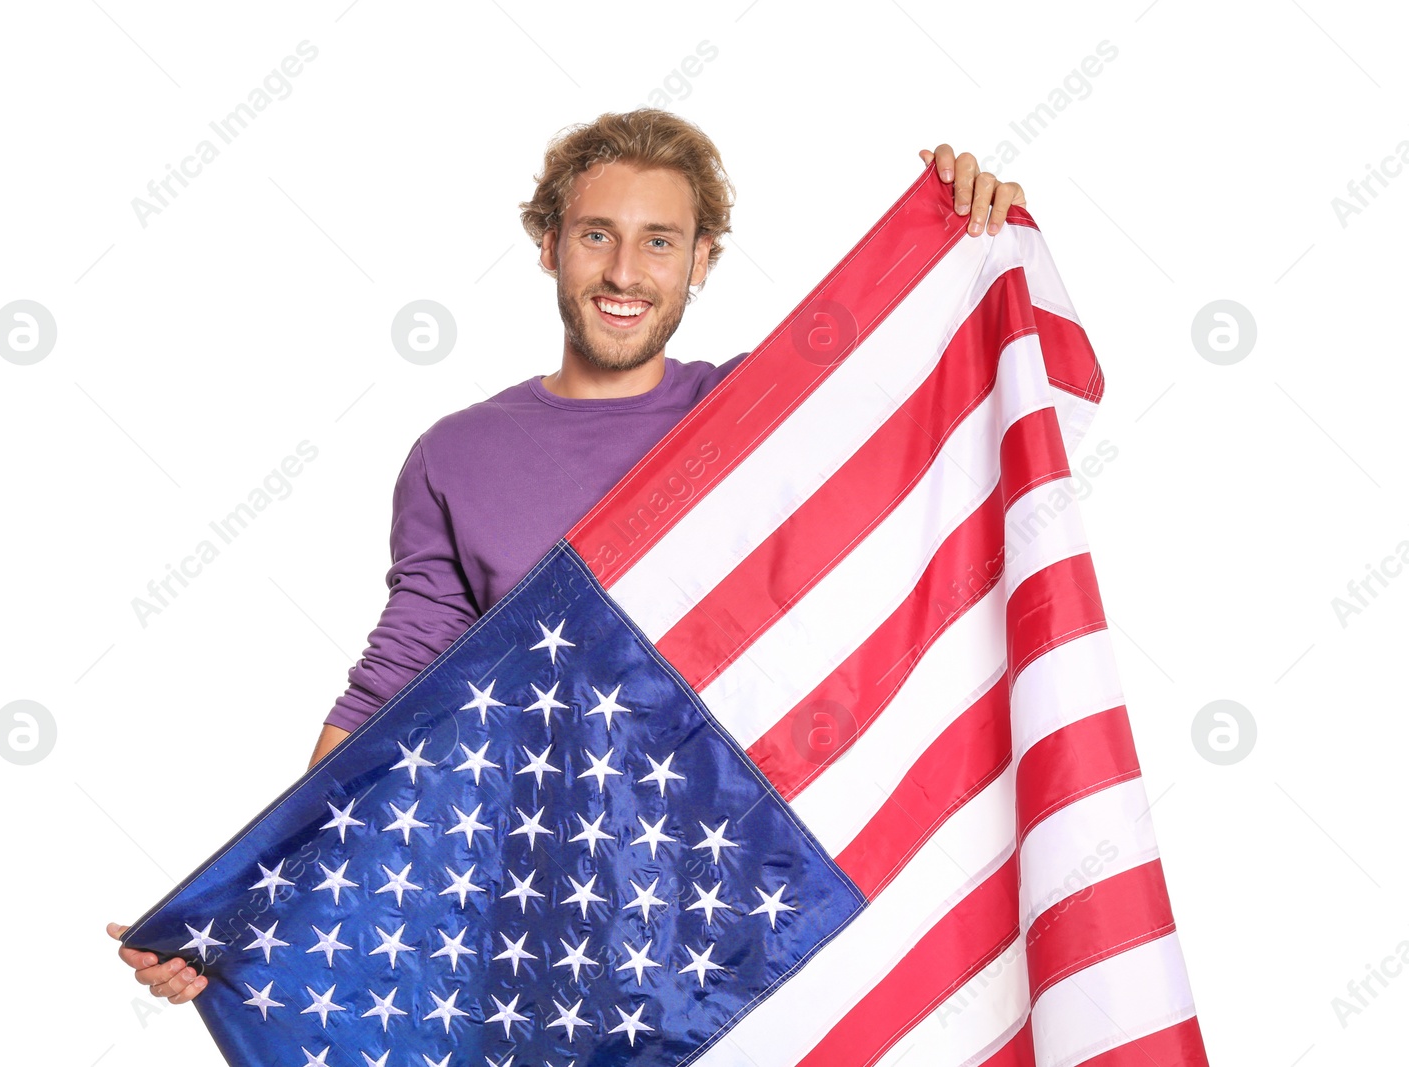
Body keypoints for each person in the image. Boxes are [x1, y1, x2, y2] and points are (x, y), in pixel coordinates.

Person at [107, 109, 1026, 1006]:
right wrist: (254, 903)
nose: (625, 272)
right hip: (555, 921)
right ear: (549, 244)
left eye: (661, 241)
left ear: (703, 261)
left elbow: (940, 374)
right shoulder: (457, 455)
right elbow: (392, 692)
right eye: (596, 234)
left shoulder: (762, 420)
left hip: (762, 896)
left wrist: (976, 230)